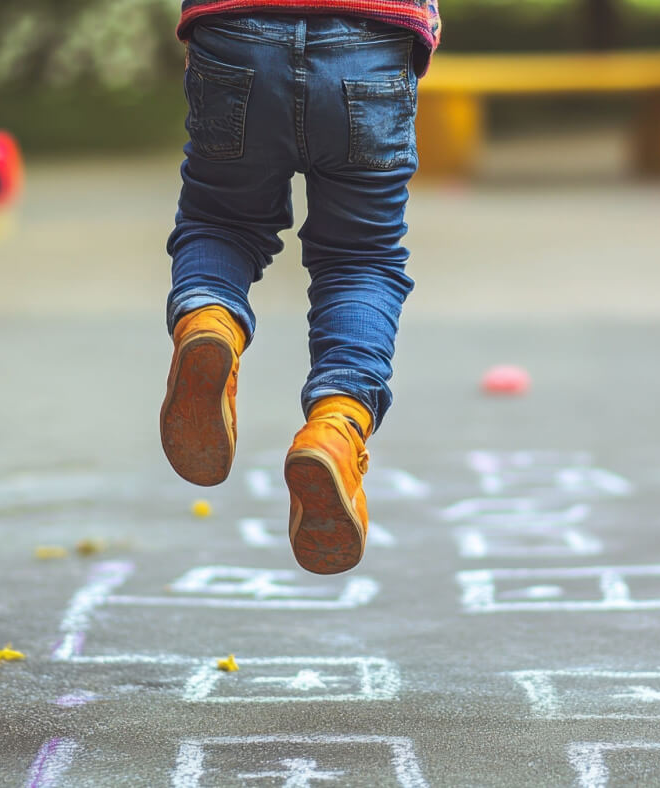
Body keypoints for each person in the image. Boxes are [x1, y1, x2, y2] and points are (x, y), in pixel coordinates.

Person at [159, 1, 441, 576]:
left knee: (221, 221)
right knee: (359, 258)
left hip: (235, 33)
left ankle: (210, 320)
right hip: (371, 40)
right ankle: (336, 426)